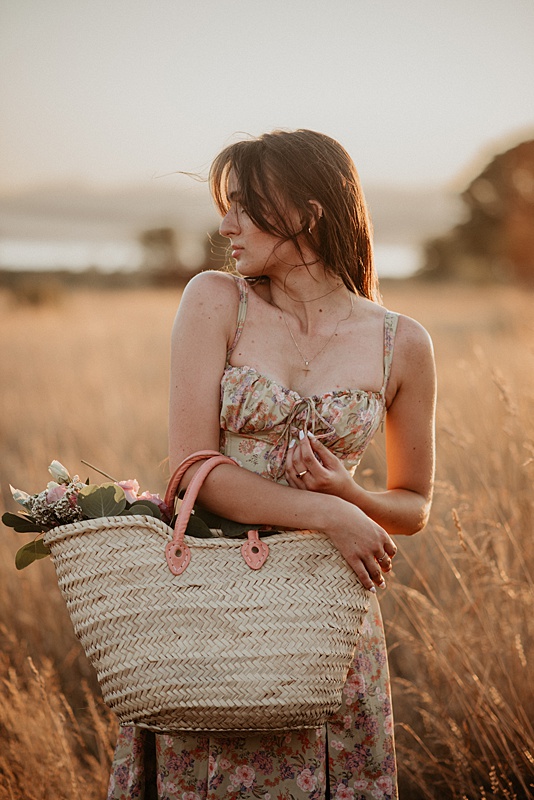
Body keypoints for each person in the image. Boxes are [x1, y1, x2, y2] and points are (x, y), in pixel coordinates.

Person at [108, 129, 436, 800]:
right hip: (212, 599)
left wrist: (353, 494)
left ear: (306, 213)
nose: (224, 224)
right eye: (223, 205)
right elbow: (192, 467)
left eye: (242, 206)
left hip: (328, 619)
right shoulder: (214, 300)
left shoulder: (402, 343)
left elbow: (414, 504)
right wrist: (328, 511)